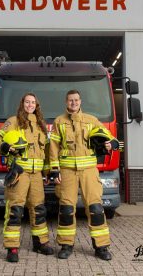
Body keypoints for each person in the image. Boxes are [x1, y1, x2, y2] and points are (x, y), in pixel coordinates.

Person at [49, 89, 119, 260]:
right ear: (66, 102)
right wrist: (54, 170)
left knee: (95, 208)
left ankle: (101, 247)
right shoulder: (59, 121)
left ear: (81, 102)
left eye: (76, 100)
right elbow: (53, 148)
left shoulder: (92, 120)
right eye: (70, 100)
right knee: (66, 209)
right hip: (67, 172)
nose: (73, 103)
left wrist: (112, 145)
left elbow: (110, 138)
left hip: (89, 171)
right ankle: (66, 245)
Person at [0, 92, 54, 262]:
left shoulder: (41, 125)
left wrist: (47, 172)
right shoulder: (14, 121)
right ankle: (12, 248)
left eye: (33, 102)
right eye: (27, 102)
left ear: (36, 105)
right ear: (22, 104)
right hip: (19, 172)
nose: (30, 105)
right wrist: (5, 147)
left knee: (39, 210)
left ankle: (40, 243)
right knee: (15, 210)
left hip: (36, 175)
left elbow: (46, 152)